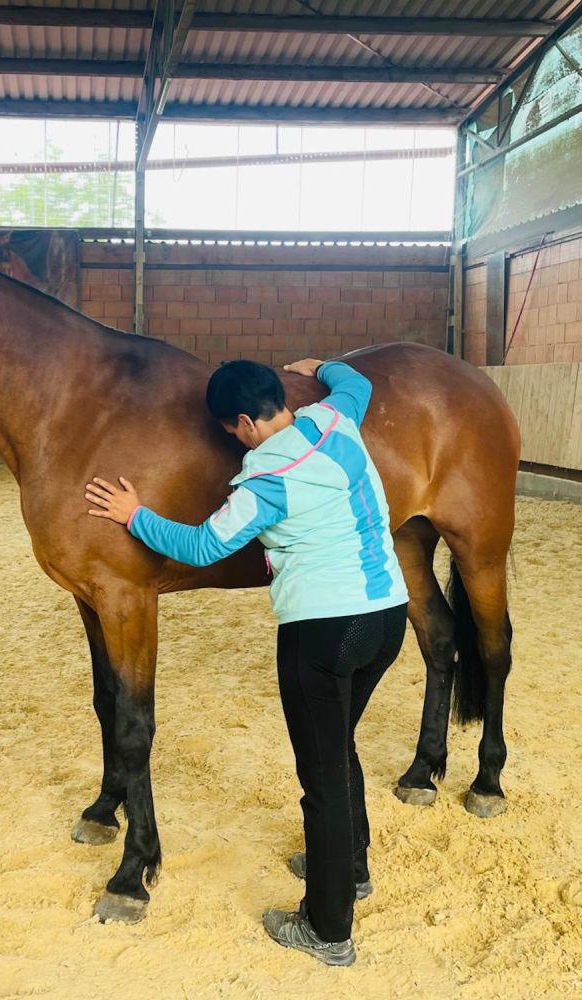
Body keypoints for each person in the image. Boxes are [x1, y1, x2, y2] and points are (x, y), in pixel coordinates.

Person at [84, 357, 409, 967]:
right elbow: (357, 381)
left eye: (230, 432)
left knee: (322, 781)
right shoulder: (332, 420)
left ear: (242, 421)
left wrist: (134, 517)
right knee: (341, 746)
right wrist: (322, 364)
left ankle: (328, 929)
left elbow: (204, 545)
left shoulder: (265, 481)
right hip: (387, 616)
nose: (232, 441)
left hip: (323, 630)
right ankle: (352, 868)